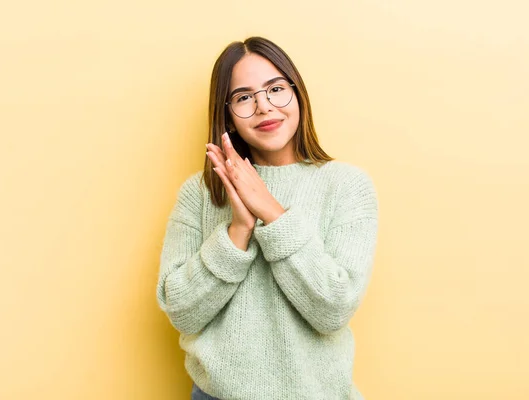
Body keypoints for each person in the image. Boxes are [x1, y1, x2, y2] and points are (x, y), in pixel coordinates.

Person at [156, 36, 379, 400]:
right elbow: (181, 311)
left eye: (275, 89)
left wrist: (271, 213)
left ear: (297, 94)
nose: (264, 107)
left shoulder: (346, 185)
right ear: (226, 113)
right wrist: (237, 230)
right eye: (244, 97)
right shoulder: (200, 192)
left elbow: (333, 308)